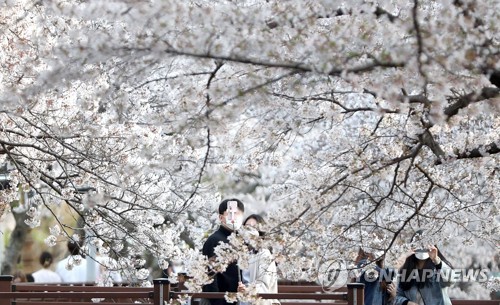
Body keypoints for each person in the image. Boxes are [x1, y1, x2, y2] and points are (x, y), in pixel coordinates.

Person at [202, 198, 245, 305]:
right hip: (220, 300)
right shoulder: (214, 240)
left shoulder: (241, 239)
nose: (234, 217)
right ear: (221, 217)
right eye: (230, 214)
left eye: (237, 214)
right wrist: (217, 300)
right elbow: (210, 275)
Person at [394, 230, 454, 305]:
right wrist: (406, 302)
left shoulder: (437, 266)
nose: (422, 247)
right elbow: (397, 296)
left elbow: (450, 281)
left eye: (425, 244)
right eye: (419, 244)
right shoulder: (406, 270)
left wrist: (436, 260)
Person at [238, 215, 280, 305]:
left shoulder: (264, 254)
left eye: (254, 227)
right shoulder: (242, 253)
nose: (250, 230)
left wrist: (248, 290)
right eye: (247, 227)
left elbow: (264, 284)